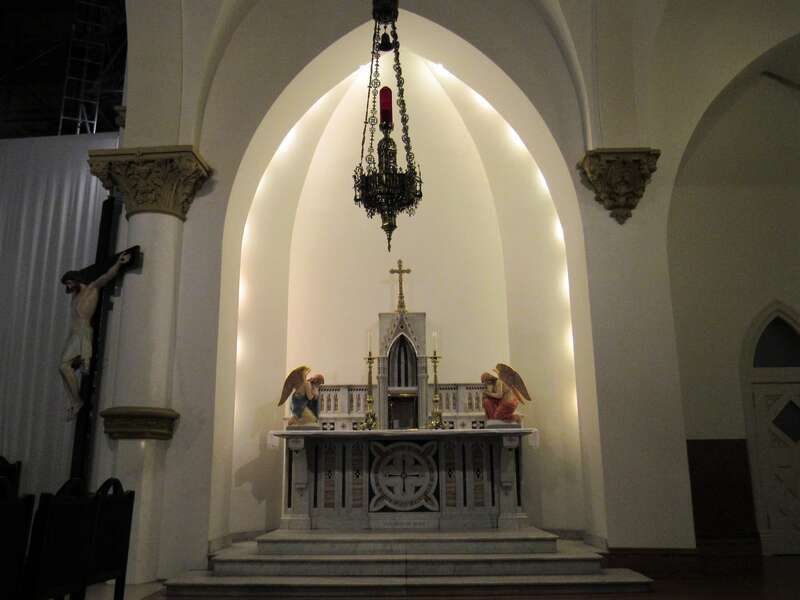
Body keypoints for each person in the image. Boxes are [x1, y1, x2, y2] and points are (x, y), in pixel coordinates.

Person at [59, 251, 131, 419]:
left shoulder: (92, 289)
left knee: (64, 366)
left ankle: (77, 401)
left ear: (76, 280)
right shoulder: (75, 296)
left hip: (83, 332)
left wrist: (119, 263)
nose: (68, 287)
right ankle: (73, 400)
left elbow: (107, 276)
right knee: (64, 369)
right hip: (74, 334)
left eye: (69, 283)